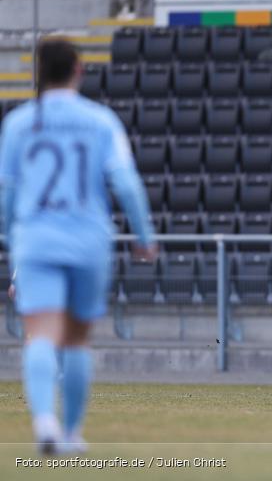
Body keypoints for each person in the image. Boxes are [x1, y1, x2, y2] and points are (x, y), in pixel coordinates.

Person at [0, 40, 157, 453]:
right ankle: (70, 433)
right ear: (77, 69)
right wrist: (144, 235)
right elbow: (126, 182)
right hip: (88, 240)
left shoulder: (17, 123)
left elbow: (6, 190)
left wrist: (10, 237)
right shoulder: (100, 120)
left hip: (35, 240)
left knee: (39, 335)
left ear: (38, 71)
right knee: (75, 339)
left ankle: (45, 424)